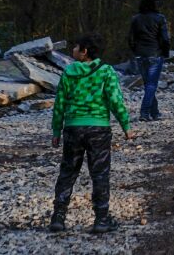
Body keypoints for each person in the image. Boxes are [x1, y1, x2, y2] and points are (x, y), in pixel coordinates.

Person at [50, 33, 133, 234]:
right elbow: (115, 100)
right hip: (99, 129)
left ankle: (58, 217)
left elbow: (59, 103)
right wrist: (126, 125)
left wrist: (56, 130)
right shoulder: (106, 71)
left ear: (84, 51)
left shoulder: (68, 72)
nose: (73, 50)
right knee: (100, 174)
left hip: (73, 128)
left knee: (68, 172)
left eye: (76, 47)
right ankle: (101, 219)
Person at [128, 0, 171, 121]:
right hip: (155, 54)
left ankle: (155, 113)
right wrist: (165, 53)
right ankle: (144, 113)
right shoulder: (160, 18)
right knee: (151, 85)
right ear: (155, 3)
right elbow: (165, 39)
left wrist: (136, 51)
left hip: (140, 55)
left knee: (148, 85)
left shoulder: (135, 19)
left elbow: (130, 39)